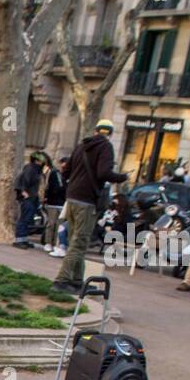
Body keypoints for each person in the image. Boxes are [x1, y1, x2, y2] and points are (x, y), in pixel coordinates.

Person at [55, 119, 128, 293]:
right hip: (87, 201)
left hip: (72, 197)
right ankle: (62, 280)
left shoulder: (81, 146)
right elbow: (103, 173)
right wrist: (121, 177)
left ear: (95, 131)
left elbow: (66, 171)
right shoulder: (105, 148)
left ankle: (77, 281)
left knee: (76, 239)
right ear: (109, 133)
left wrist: (73, 186)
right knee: (79, 243)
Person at [12, 151, 46, 249]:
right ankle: (19, 240)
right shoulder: (30, 168)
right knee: (24, 218)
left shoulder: (37, 170)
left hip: (33, 198)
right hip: (28, 198)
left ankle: (24, 239)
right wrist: (23, 192)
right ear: (36, 160)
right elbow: (22, 180)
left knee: (29, 219)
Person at [41, 155, 67, 254]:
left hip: (62, 203)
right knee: (51, 223)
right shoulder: (54, 173)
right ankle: (48, 243)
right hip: (53, 202)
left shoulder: (68, 175)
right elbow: (50, 187)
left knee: (59, 225)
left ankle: (56, 243)